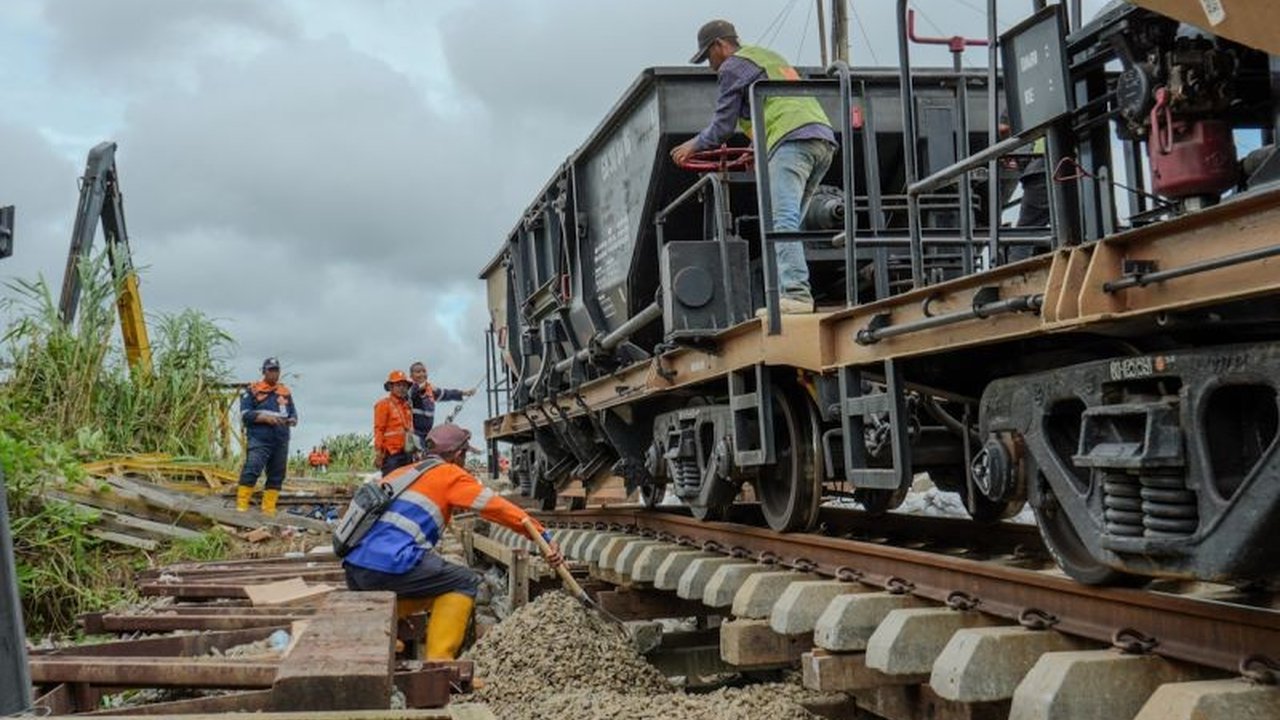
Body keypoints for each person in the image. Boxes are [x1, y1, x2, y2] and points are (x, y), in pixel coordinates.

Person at [342, 423, 564, 660]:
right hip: (389, 565)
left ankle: (385, 626)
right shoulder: (450, 474)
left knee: (433, 587)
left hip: (355, 568)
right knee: (463, 581)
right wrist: (544, 537)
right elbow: (497, 508)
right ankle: (440, 664)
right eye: (465, 456)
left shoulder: (403, 473)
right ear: (459, 455)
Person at [671, 19, 837, 315]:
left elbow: (722, 126)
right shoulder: (766, 57)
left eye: (708, 56)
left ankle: (796, 296)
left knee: (781, 220)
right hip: (820, 139)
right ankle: (792, 293)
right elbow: (775, 104)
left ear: (721, 45)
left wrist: (692, 146)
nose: (710, 65)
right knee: (792, 222)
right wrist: (755, 149)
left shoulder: (732, 66)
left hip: (791, 141)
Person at [236, 357, 297, 515]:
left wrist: (292, 420)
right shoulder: (252, 390)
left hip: (281, 439)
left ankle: (269, 508)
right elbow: (245, 415)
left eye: (276, 370)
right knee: (252, 469)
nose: (274, 374)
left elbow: (293, 413)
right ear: (264, 371)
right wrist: (264, 418)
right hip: (260, 439)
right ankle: (242, 506)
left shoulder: (285, 392)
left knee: (277, 474)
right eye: (270, 370)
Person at [408, 361, 475, 451]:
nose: (422, 374)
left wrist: (464, 393)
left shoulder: (430, 390)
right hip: (414, 433)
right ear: (411, 376)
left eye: (424, 371)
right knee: (415, 457)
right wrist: (421, 387)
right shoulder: (409, 390)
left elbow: (447, 394)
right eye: (418, 372)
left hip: (427, 433)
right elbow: (412, 394)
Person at [374, 370, 416, 476]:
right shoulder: (384, 404)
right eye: (398, 385)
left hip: (407, 452)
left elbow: (410, 429)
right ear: (391, 387)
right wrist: (378, 453)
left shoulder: (407, 406)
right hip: (391, 454)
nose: (402, 388)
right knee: (390, 484)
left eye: (404, 385)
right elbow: (379, 429)